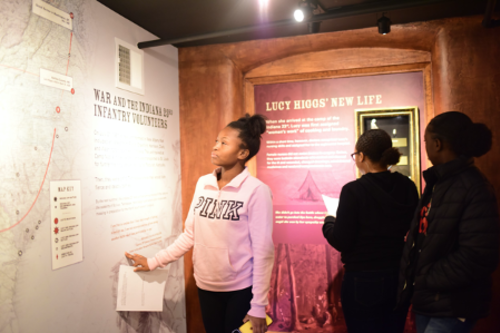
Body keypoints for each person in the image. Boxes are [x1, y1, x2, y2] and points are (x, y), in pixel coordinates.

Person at [125, 114, 275, 333]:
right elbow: (189, 235)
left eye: (224, 143)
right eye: (216, 141)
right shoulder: (204, 183)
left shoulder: (257, 191)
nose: (215, 147)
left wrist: (258, 305)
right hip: (205, 285)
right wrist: (154, 261)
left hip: (240, 288)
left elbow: (264, 251)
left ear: (242, 153)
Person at [397, 111, 499, 333]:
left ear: (437, 143)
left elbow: (479, 255)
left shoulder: (473, 186)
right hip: (431, 301)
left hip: (454, 304)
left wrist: (424, 276)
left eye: (425, 142)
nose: (425, 147)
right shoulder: (439, 182)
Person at [323, 129, 419, 333]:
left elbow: (341, 240)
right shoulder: (408, 186)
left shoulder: (353, 190)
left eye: (355, 154)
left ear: (362, 156)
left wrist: (329, 222)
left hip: (363, 278)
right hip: (398, 275)